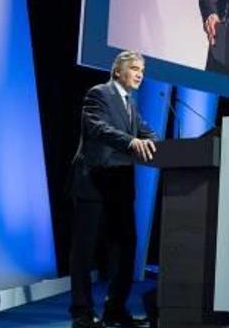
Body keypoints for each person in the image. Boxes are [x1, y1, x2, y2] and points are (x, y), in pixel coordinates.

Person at [68, 51, 158, 328]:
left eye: (142, 69)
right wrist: (131, 142)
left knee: (126, 248)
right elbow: (97, 128)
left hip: (119, 184)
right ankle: (82, 313)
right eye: (134, 68)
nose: (140, 73)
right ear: (117, 71)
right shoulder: (99, 94)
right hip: (94, 180)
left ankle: (115, 309)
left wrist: (156, 144)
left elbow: (148, 133)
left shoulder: (131, 104)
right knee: (85, 250)